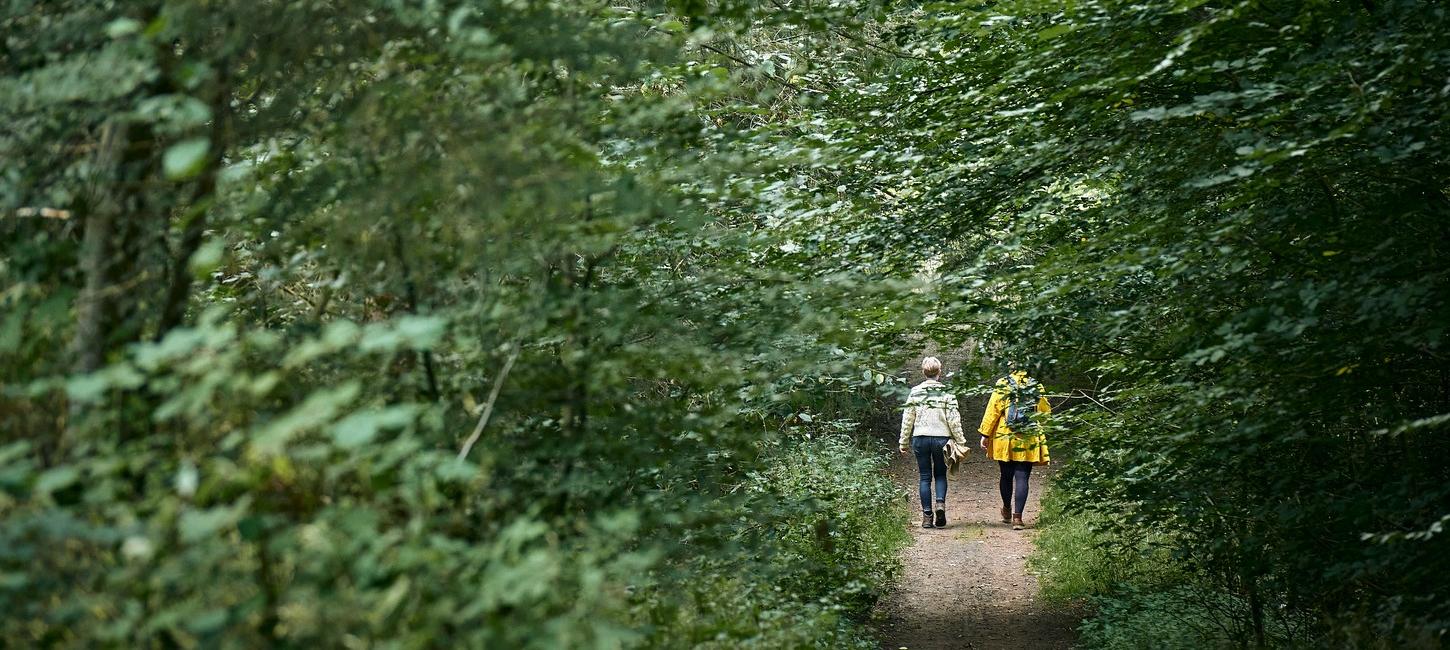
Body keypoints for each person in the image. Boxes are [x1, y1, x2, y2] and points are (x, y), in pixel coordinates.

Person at [899, 357, 968, 529]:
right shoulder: (947, 392)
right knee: (940, 474)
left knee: (924, 477)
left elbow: (908, 418)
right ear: (939, 372)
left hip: (920, 438)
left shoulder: (915, 391)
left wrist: (903, 442)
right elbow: (954, 420)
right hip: (941, 439)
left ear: (923, 372)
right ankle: (940, 505)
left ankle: (927, 516)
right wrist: (961, 440)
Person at [978, 368, 1052, 530]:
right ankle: (1017, 518)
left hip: (1005, 436)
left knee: (1006, 475)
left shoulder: (1003, 383)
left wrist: (985, 433)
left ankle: (1006, 509)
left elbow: (993, 411)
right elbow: (1045, 413)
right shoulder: (1036, 385)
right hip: (1028, 436)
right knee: (1022, 477)